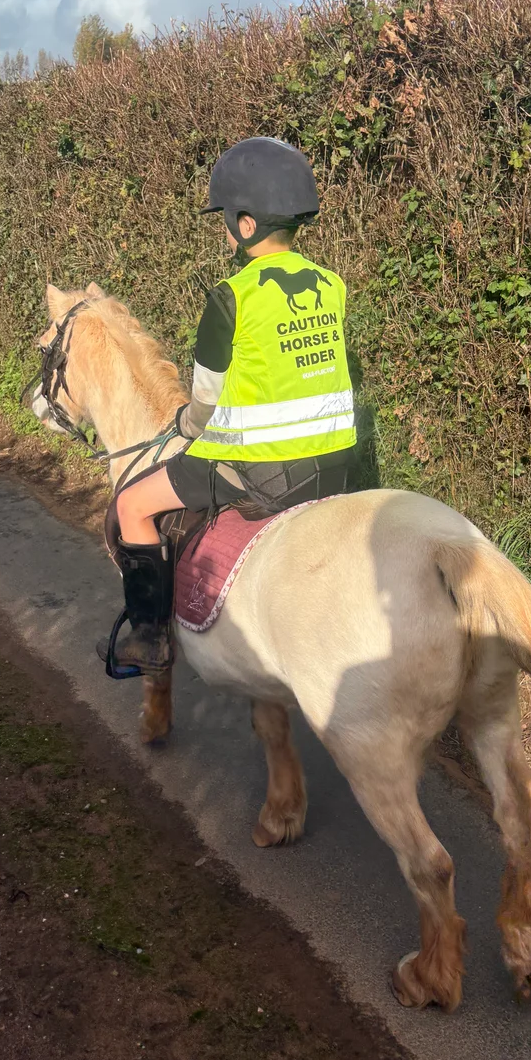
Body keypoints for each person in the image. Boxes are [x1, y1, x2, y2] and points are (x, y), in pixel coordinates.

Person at [98, 135, 358, 676]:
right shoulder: (331, 285)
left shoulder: (230, 296)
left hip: (258, 470)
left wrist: (184, 425)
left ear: (245, 225)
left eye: (228, 217)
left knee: (131, 506)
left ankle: (149, 639)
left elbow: (205, 405)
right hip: (335, 465)